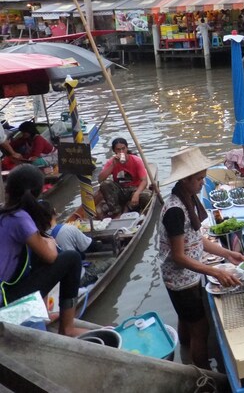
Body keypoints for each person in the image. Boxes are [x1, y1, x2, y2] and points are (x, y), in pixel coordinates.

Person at [158, 147, 244, 369]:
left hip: (188, 277)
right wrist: (216, 271)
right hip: (181, 280)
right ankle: (204, 374)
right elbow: (178, 256)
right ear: (185, 180)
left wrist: (227, 253)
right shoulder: (175, 211)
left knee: (185, 319)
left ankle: (185, 354)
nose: (202, 184)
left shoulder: (187, 200)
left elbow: (196, 240)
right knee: (200, 328)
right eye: (198, 179)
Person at [0, 165, 84, 336]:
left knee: (36, 257)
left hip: (7, 290)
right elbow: (51, 256)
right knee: (72, 258)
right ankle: (68, 327)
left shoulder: (4, 213)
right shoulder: (19, 217)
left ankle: (43, 312)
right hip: (5, 298)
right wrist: (51, 242)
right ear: (37, 193)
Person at [88, 138, 152, 219]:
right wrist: (113, 165)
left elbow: (144, 181)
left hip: (134, 189)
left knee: (147, 196)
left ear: (127, 148)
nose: (121, 152)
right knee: (105, 184)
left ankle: (129, 207)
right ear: (114, 151)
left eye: (123, 149)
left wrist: (137, 193)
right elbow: (100, 179)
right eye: (118, 149)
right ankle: (116, 212)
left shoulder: (136, 160)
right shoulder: (112, 161)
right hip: (120, 190)